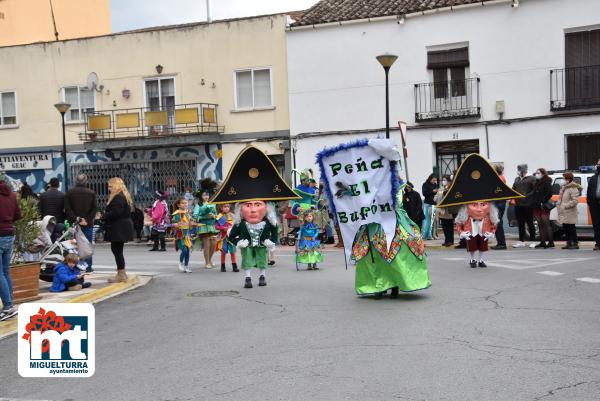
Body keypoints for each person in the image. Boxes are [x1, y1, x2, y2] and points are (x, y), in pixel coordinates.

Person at [211, 146, 300, 289]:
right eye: (248, 205)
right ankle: (247, 278)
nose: (253, 209)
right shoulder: (240, 223)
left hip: (261, 245)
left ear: (266, 208)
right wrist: (239, 241)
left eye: (258, 204)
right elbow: (232, 235)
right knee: (246, 259)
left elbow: (275, 232)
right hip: (247, 245)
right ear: (241, 209)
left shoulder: (268, 221)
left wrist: (271, 242)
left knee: (262, 259)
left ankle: (262, 275)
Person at [438, 154, 523, 269]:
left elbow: (494, 223)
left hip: (483, 226)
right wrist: (461, 232)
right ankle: (472, 259)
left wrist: (492, 232)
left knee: (483, 244)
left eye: (483, 205)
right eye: (474, 205)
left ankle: (481, 260)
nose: (479, 208)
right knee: (472, 244)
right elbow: (458, 223)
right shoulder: (465, 213)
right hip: (471, 226)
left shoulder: (490, 213)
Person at [64, 174, 98, 272]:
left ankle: (75, 266)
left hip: (74, 224)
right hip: (87, 224)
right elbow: (94, 208)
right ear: (86, 181)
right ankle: (88, 267)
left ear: (76, 181)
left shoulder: (69, 193)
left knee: (74, 245)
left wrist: (77, 219)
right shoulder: (91, 193)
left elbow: (67, 209)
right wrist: (86, 220)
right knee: (87, 245)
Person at [104, 177, 135, 283]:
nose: (109, 188)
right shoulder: (122, 196)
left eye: (111, 186)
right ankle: (121, 273)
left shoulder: (118, 197)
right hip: (121, 226)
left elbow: (116, 213)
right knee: (117, 250)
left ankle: (121, 274)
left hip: (119, 227)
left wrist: (104, 216)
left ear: (117, 186)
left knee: (117, 250)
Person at [0, 178, 21, 321]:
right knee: (6, 271)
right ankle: (10, 304)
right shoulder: (12, 194)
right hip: (9, 234)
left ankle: (8, 306)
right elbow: (18, 215)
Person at [193, 179, 219, 268]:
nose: (206, 196)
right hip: (203, 226)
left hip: (212, 226)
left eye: (207, 195)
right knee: (207, 245)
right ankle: (207, 262)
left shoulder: (213, 203)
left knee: (214, 244)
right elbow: (195, 217)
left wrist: (214, 216)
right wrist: (205, 217)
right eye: (204, 195)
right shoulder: (198, 205)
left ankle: (210, 259)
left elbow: (216, 215)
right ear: (201, 196)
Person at [512, 164, 536, 247]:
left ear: (524, 170)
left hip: (528, 204)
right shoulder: (517, 179)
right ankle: (521, 241)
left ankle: (533, 241)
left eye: (519, 169)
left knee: (530, 222)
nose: (518, 171)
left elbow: (534, 190)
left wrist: (526, 196)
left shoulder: (532, 178)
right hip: (518, 204)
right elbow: (513, 189)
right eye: (518, 169)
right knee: (520, 223)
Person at [531, 168, 555, 249]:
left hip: (543, 206)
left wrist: (542, 201)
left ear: (543, 174)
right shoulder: (536, 182)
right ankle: (542, 242)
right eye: (536, 173)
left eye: (538, 173)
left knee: (546, 224)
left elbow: (549, 194)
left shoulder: (547, 182)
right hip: (536, 206)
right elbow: (534, 193)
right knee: (540, 224)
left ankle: (551, 242)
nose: (537, 174)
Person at [557, 172, 581, 250]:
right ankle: (569, 243)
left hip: (570, 211)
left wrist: (565, 206)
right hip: (564, 212)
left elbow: (575, 201)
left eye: (563, 178)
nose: (562, 180)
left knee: (571, 228)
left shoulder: (573, 188)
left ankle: (574, 243)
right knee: (566, 228)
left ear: (568, 179)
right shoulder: (564, 187)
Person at [172, 197, 195, 273]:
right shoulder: (176, 214)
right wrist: (175, 225)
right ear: (178, 205)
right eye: (183, 203)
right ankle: (181, 263)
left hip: (187, 235)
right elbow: (173, 224)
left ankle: (186, 266)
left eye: (186, 203)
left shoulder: (187, 213)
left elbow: (190, 225)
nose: (185, 204)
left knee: (188, 251)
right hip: (179, 235)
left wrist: (192, 224)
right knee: (184, 250)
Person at [38, 177, 65, 242]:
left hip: (46, 222)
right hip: (59, 222)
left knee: (47, 240)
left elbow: (39, 209)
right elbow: (65, 210)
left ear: (50, 185)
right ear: (58, 185)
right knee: (58, 241)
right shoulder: (62, 195)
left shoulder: (43, 195)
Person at [215, 203, 238, 272]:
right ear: (221, 208)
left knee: (232, 252)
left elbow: (236, 225)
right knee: (223, 251)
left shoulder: (233, 215)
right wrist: (223, 228)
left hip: (231, 237)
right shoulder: (219, 216)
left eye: (228, 206)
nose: (226, 208)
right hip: (223, 237)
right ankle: (223, 266)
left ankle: (234, 267)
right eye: (225, 206)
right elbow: (216, 226)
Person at [491, 164, 508, 250]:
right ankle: (500, 243)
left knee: (498, 223)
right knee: (497, 223)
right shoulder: (500, 177)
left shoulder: (499, 178)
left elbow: (497, 191)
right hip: (499, 202)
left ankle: (502, 244)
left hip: (498, 203)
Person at [435, 175, 455, 247]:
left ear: (449, 181)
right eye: (443, 180)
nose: (443, 181)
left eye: (445, 180)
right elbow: (435, 197)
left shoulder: (451, 188)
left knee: (449, 226)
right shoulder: (441, 188)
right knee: (444, 226)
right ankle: (446, 240)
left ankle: (450, 240)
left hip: (448, 211)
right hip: (441, 211)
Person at [586, 158, 600, 251]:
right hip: (594, 205)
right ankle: (598, 243)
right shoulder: (593, 178)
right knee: (596, 225)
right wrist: (589, 202)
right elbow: (589, 191)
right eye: (597, 164)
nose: (598, 166)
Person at [421, 174, 438, 240]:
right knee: (426, 220)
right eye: (433, 180)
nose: (434, 181)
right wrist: (432, 191)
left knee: (432, 220)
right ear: (430, 179)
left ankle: (430, 235)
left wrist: (436, 192)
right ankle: (424, 235)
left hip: (434, 204)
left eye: (435, 180)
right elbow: (424, 193)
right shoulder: (425, 185)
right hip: (427, 204)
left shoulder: (435, 185)